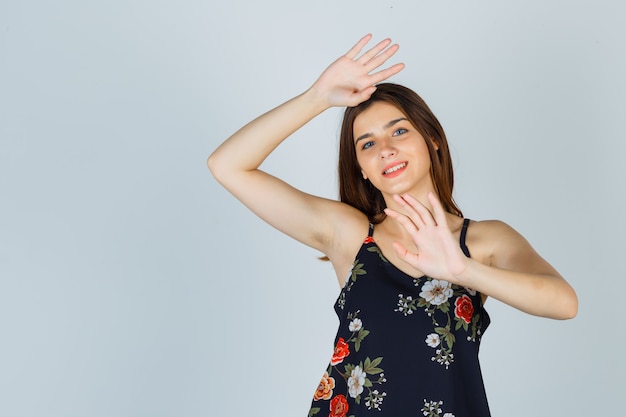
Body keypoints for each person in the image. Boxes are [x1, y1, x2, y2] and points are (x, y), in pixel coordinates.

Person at [208, 34, 577, 417]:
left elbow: (564, 303)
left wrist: (464, 270)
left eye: (399, 131)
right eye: (367, 144)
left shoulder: (483, 240)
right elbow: (227, 165)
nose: (385, 148)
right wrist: (316, 97)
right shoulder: (350, 235)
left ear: (432, 139)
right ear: (363, 171)